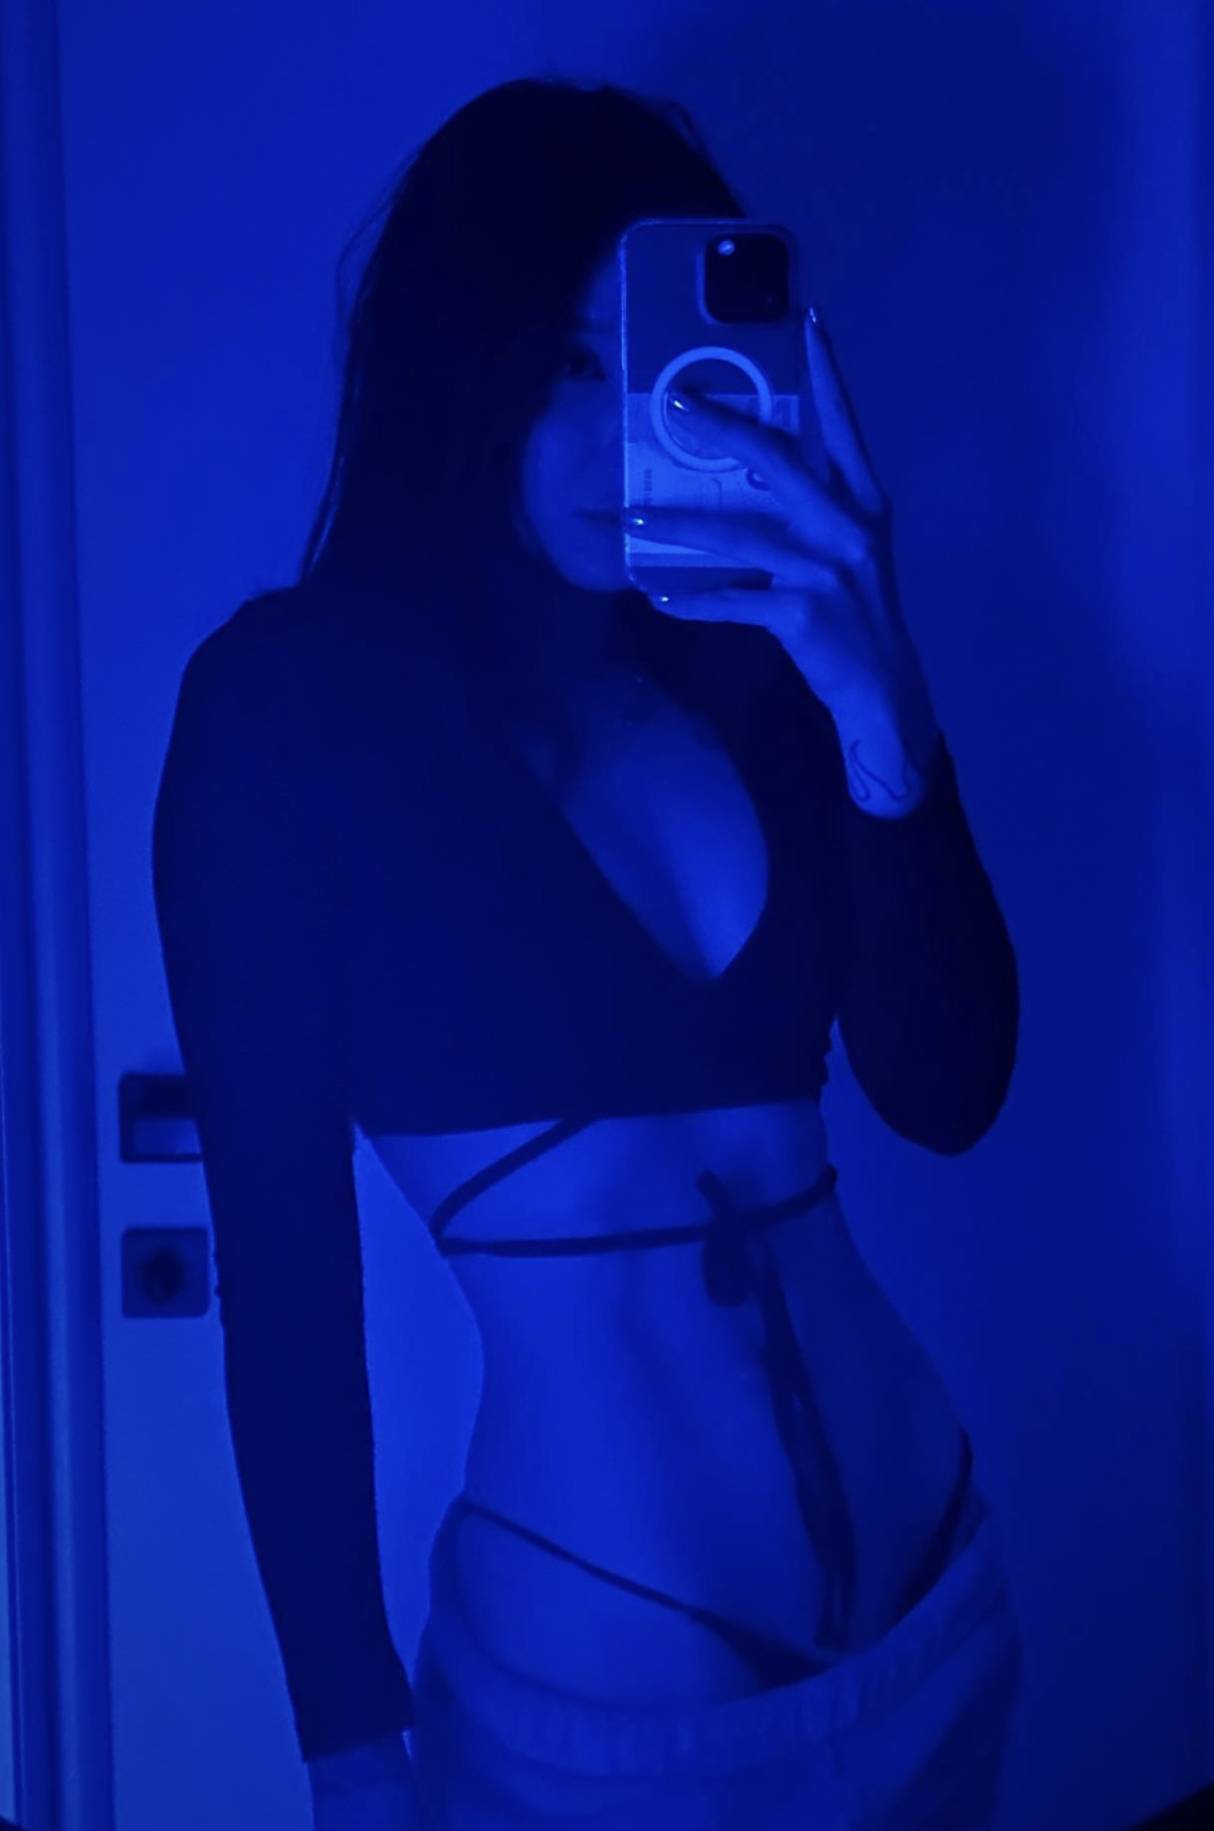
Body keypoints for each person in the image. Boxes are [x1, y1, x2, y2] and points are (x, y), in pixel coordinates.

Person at [151, 74, 1024, 1831]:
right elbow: (288, 1273)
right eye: (567, 362)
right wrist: (349, 1746)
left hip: (943, 1627)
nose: (626, 431)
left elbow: (948, 1095)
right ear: (453, 372)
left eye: (659, 363)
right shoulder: (289, 712)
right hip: (597, 1720)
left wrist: (882, 697)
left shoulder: (759, 680)